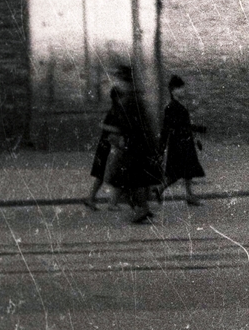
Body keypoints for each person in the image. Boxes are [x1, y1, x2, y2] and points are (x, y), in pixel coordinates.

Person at [108, 64, 162, 225]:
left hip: (137, 147)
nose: (118, 84)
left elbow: (134, 124)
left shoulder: (130, 100)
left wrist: (119, 135)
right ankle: (142, 208)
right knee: (133, 179)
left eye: (120, 80)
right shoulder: (133, 97)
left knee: (133, 178)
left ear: (125, 81)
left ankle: (143, 208)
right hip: (139, 145)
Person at [161, 75, 206, 206]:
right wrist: (197, 128)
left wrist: (195, 136)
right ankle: (159, 189)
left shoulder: (178, 105)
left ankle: (189, 195)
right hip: (179, 142)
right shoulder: (172, 107)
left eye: (182, 88)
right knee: (179, 172)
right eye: (179, 88)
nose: (182, 91)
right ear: (173, 91)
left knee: (188, 171)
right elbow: (176, 125)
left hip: (184, 141)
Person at [83, 78, 125, 209]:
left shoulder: (114, 110)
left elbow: (106, 127)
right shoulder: (117, 112)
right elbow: (114, 129)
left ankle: (91, 198)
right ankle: (112, 203)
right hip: (110, 146)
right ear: (118, 98)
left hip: (105, 145)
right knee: (117, 174)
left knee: (101, 175)